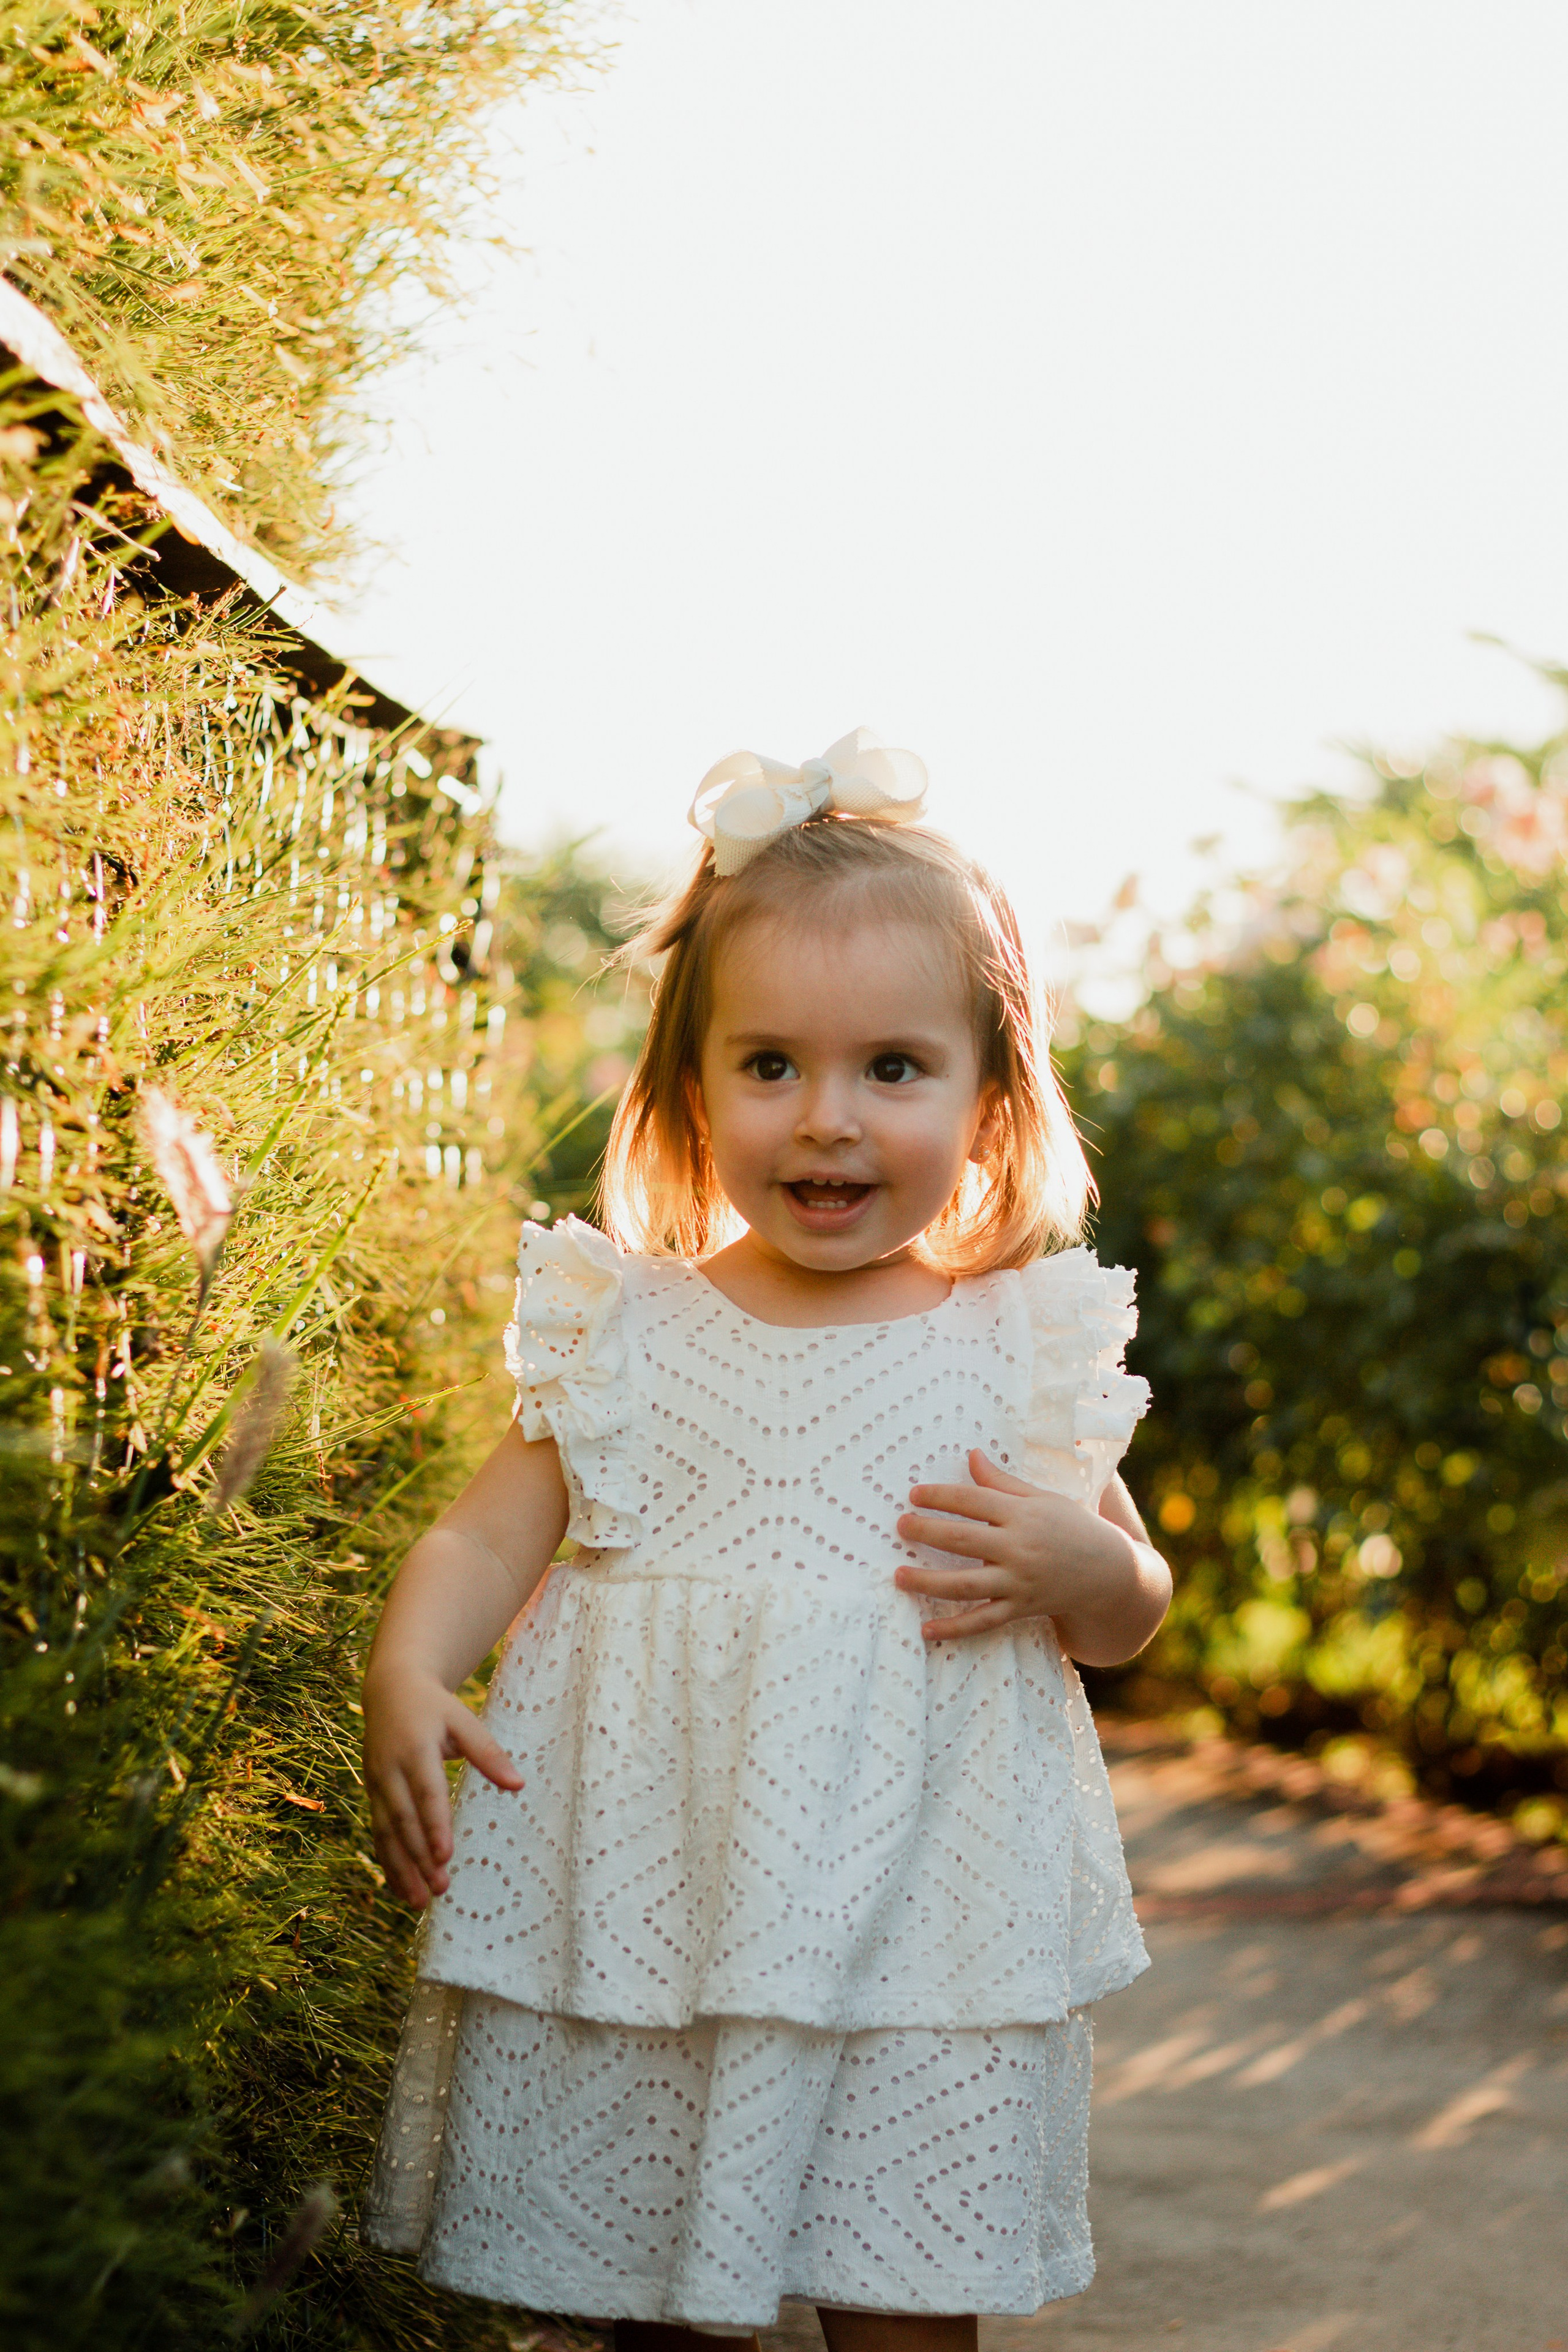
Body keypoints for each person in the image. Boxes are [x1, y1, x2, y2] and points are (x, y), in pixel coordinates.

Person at [360, 729, 1172, 2352]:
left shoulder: (1013, 1348)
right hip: (662, 1894)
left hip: (920, 1917)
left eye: (894, 1068)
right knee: (656, 2294)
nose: (829, 1122)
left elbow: (1129, 1601)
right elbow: (483, 1535)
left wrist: (1085, 1574)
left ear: (991, 1092)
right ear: (691, 1083)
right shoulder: (629, 1334)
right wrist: (411, 1661)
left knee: (903, 2302)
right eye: (772, 1065)